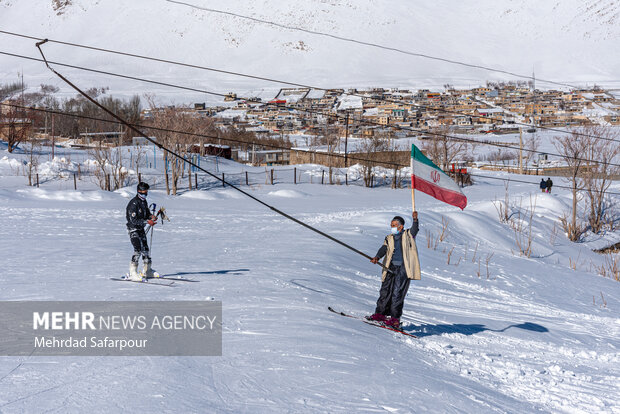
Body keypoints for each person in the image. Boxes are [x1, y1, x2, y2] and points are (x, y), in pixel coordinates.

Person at [368, 212, 421, 329]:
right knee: (385, 291)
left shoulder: (408, 235)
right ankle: (380, 315)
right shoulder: (389, 238)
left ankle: (394, 320)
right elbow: (384, 248)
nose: (391, 227)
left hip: (403, 268)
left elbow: (415, 229)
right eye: (391, 225)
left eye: (393, 225)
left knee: (397, 293)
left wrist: (415, 220)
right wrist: (377, 257)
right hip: (390, 267)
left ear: (400, 226)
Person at [126, 182, 158, 281]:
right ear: (139, 191)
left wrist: (151, 217)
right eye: (144, 191)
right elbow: (133, 220)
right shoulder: (133, 203)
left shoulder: (144, 202)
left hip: (141, 229)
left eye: (146, 191)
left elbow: (146, 214)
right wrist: (147, 221)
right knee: (138, 249)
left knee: (146, 250)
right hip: (133, 229)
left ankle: (147, 270)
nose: (145, 193)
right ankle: (133, 272)